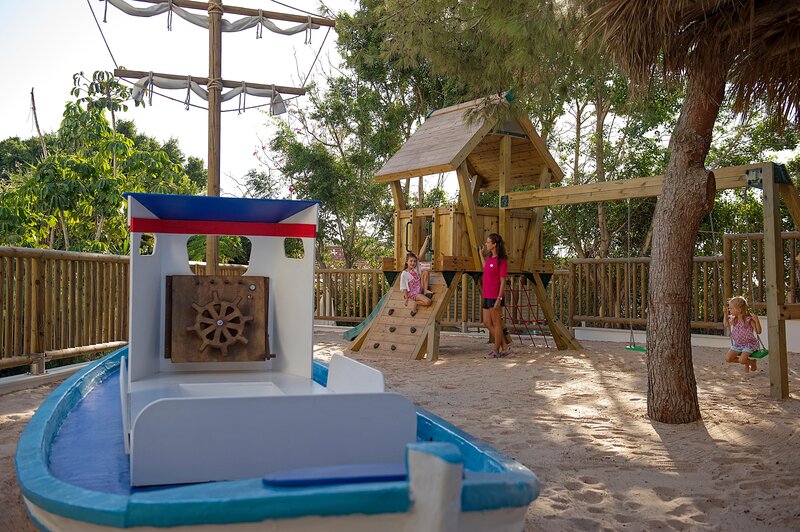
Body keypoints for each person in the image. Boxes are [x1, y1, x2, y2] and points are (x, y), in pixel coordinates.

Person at [481, 233, 509, 358]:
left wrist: (499, 298)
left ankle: (496, 351)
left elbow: (503, 281)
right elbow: (486, 268)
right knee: (487, 322)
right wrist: (480, 255)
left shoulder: (501, 260)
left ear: (494, 244)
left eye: (488, 242)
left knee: (497, 323)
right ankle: (505, 346)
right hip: (486, 294)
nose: (486, 244)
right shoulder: (489, 258)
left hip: (495, 295)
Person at [723, 296, 762, 373]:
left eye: (731, 308)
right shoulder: (733, 319)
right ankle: (749, 361)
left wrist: (757, 320)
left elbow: (758, 331)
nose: (729, 310)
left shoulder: (748, 320)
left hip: (749, 344)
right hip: (738, 344)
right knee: (728, 359)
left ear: (739, 309)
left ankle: (751, 362)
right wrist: (725, 314)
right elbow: (726, 324)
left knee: (742, 360)